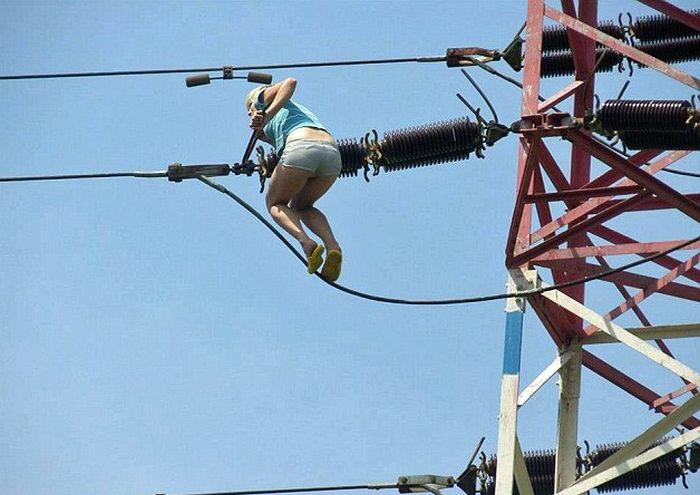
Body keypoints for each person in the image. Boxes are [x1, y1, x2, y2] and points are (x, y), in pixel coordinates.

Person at [246, 78, 343, 282]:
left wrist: (261, 111)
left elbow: (290, 82)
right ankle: (333, 246)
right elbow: (281, 140)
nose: (249, 115)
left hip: (301, 146)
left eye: (248, 111)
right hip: (332, 154)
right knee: (302, 205)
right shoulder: (295, 114)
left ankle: (306, 243)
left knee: (274, 203)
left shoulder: (260, 100)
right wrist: (264, 133)